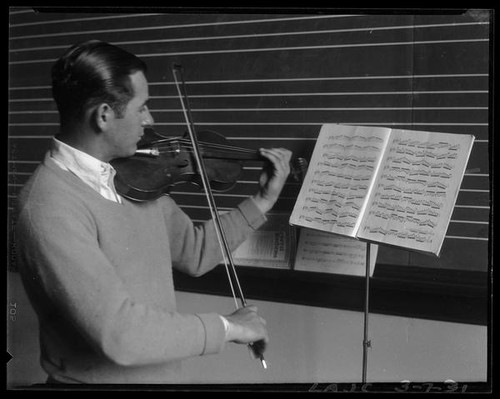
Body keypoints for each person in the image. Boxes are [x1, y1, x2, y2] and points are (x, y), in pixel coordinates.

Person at [15, 40, 292, 384]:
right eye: (142, 107)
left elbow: (195, 251)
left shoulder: (131, 175)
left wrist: (262, 200)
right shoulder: (49, 206)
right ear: (103, 115)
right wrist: (229, 327)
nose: (150, 119)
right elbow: (122, 336)